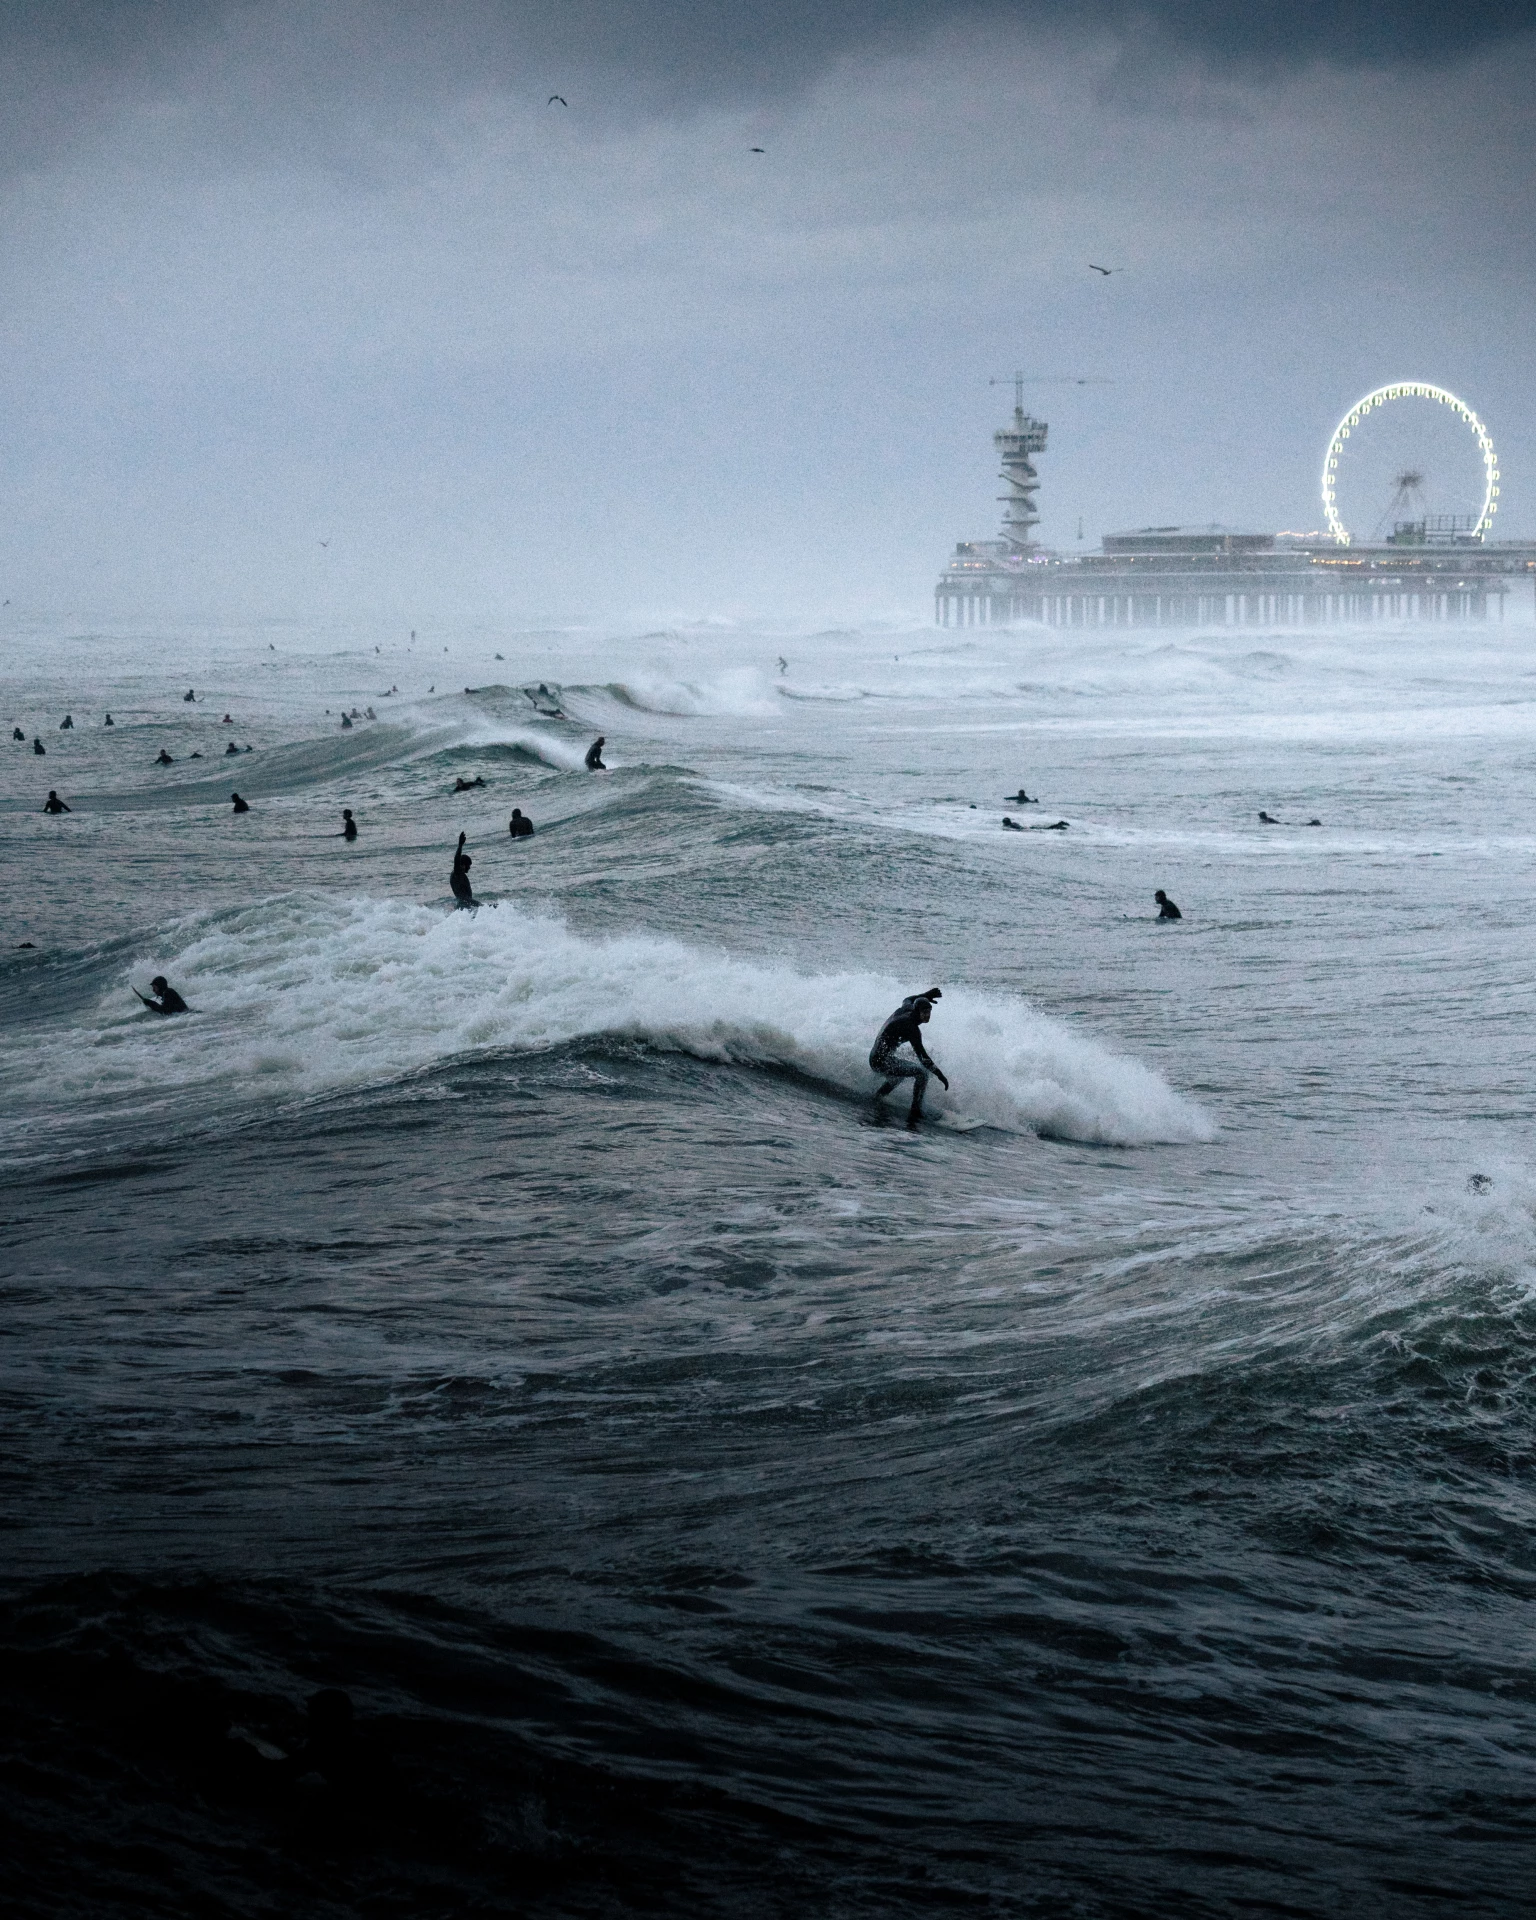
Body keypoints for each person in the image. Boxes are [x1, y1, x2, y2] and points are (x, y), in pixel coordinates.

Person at [870, 991, 948, 1125]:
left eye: (929, 1012)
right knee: (922, 1073)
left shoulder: (907, 1008)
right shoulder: (910, 1027)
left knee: (899, 1075)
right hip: (880, 1061)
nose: (927, 1016)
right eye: (924, 1012)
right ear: (917, 1011)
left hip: (879, 1057)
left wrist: (925, 995)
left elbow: (907, 998)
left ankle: (877, 1097)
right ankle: (915, 1111)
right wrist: (940, 1076)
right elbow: (923, 1058)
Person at [450, 832, 475, 907]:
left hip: (466, 904)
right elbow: (456, 860)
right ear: (463, 865)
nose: (469, 868)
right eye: (468, 865)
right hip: (464, 904)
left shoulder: (459, 874)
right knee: (486, 907)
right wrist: (460, 845)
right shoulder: (457, 873)